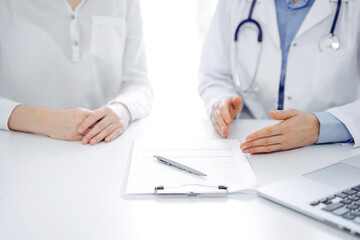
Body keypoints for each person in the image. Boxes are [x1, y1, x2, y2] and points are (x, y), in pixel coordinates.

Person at [199, 0, 359, 154]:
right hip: (246, 145)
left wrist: (320, 126)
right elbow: (214, 75)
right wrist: (221, 102)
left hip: (331, 151)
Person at [0, 0, 152, 145]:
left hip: (101, 149)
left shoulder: (126, 3)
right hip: (18, 151)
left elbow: (138, 83)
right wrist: (45, 121)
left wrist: (122, 109)